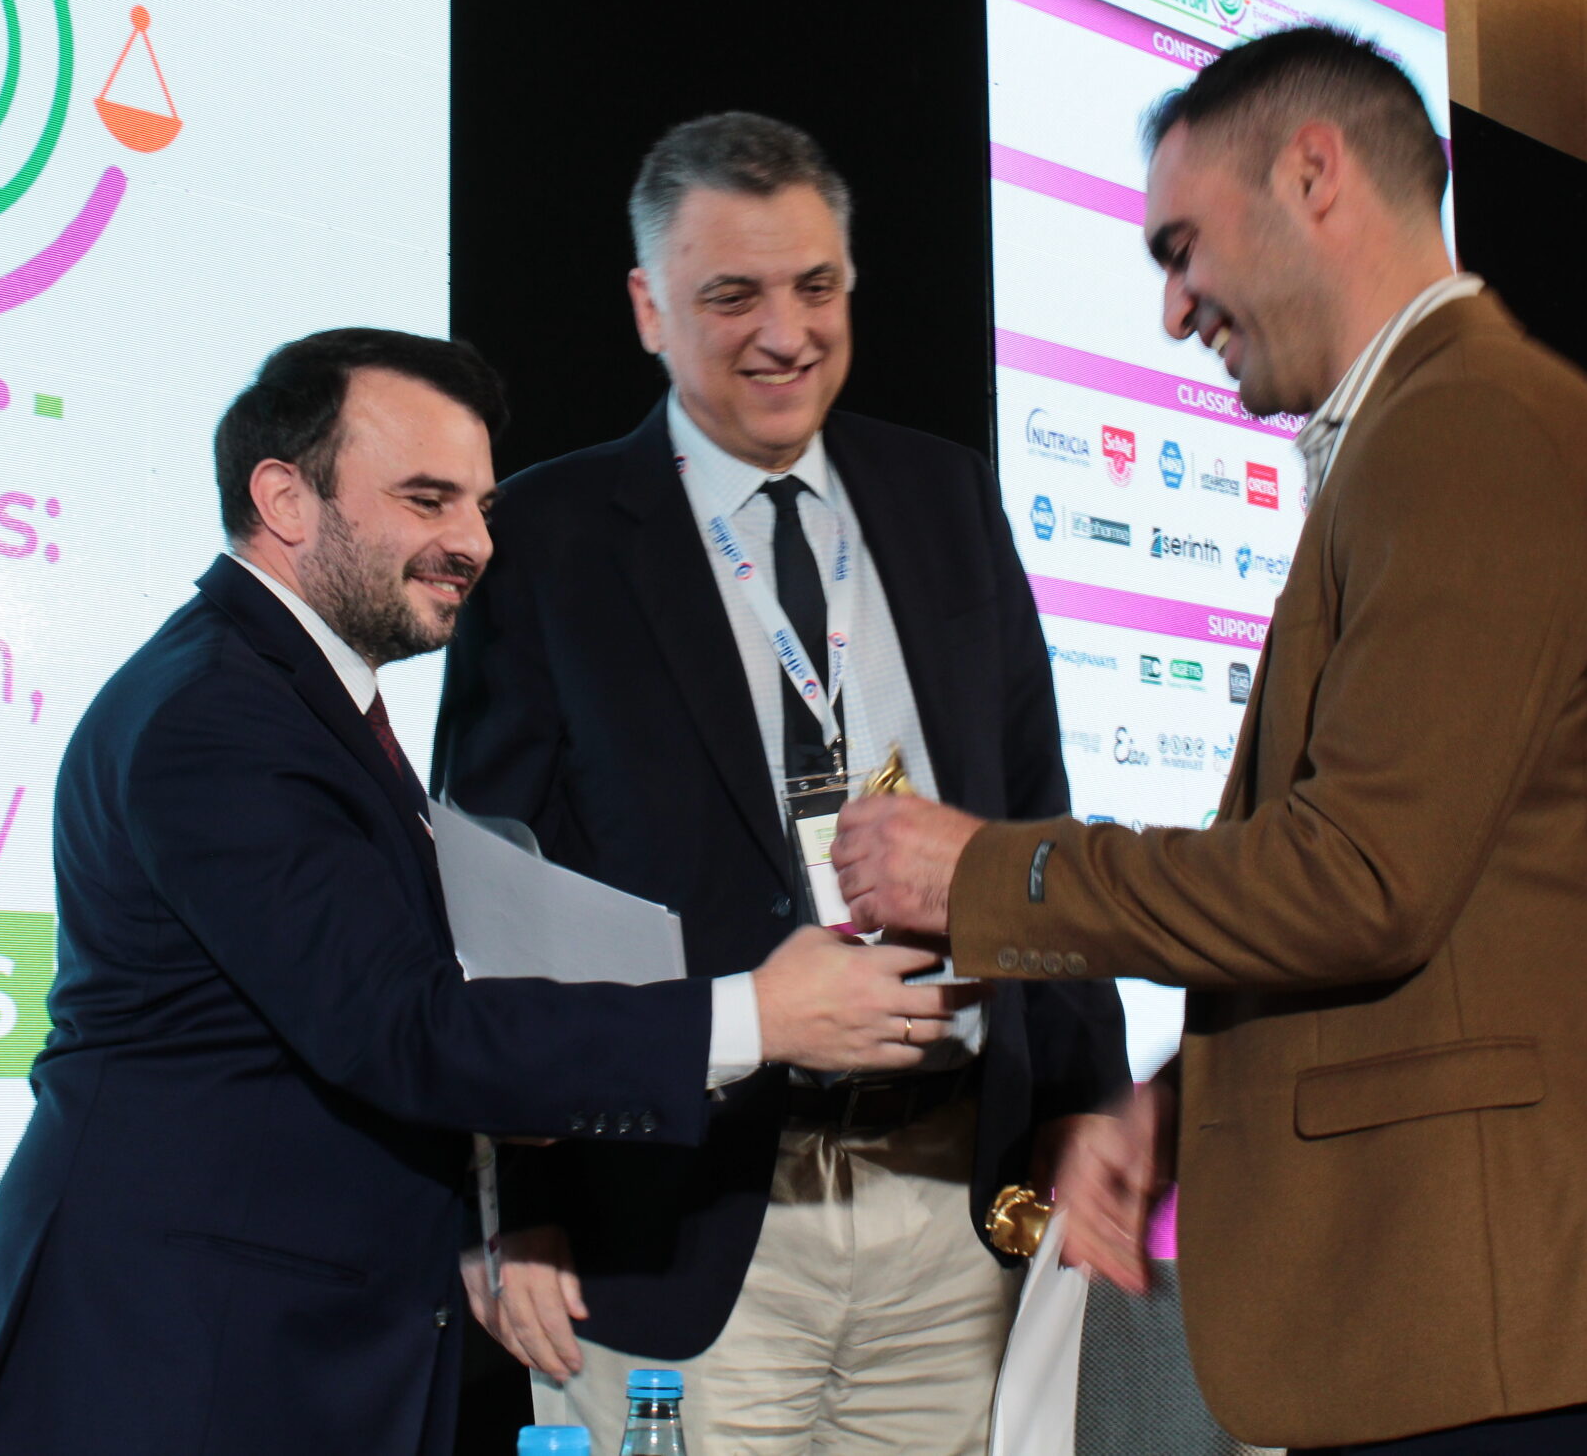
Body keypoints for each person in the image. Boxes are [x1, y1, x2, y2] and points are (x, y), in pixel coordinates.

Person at [833, 27, 1587, 1453]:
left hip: (1516, 1330)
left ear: (1314, 173)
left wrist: (982, 871)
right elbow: (1451, 914)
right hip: (1490, 1325)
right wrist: (1168, 1104)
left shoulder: (1463, 424)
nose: (1172, 310)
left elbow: (1360, 879)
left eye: (1181, 247)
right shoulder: (1430, 424)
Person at [0, 329, 952, 1456]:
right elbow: (400, 1029)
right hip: (184, 1363)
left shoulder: (299, 699)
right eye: (427, 500)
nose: (473, 541)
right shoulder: (215, 718)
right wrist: (757, 1015)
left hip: (277, 1342)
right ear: (284, 498)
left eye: (479, 505)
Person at [434, 113, 1130, 1454]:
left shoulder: (946, 499)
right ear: (649, 308)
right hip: (674, 1220)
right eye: (732, 295)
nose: (785, 333)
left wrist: (1081, 1098)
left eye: (816, 286)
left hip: (950, 1204)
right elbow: (494, 901)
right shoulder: (548, 538)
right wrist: (511, 1201)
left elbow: (1034, 820)